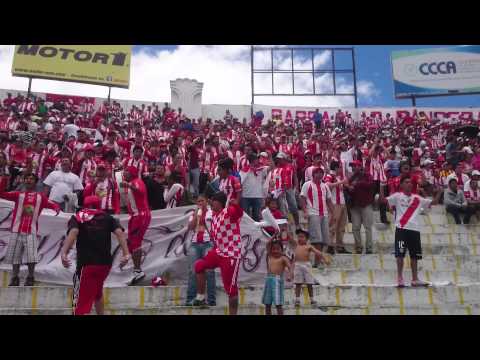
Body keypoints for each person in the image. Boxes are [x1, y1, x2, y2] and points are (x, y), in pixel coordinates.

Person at [60, 195, 130, 315]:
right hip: (105, 265)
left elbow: (74, 231)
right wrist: (126, 253)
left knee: (79, 301)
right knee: (97, 293)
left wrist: (64, 252)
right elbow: (119, 232)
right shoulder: (108, 218)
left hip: (86, 264)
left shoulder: (78, 217)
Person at [0, 173, 60, 286]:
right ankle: (14, 277)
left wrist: (56, 208)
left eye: (31, 179)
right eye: (26, 178)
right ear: (24, 181)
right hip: (16, 230)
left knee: (31, 255)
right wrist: (4, 179)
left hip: (31, 231)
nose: (28, 180)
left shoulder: (41, 197)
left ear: (36, 182)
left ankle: (30, 277)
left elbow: (52, 204)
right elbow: (1, 194)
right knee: (15, 256)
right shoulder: (18, 194)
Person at [380, 175, 441, 287]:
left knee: (414, 256)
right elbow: (383, 201)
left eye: (410, 182)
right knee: (400, 254)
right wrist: (381, 187)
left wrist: (439, 192)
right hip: (401, 229)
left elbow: (434, 203)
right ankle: (399, 278)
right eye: (406, 182)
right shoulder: (397, 196)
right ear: (402, 185)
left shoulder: (417, 198)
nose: (409, 184)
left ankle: (415, 279)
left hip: (414, 230)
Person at [193, 192, 243, 315]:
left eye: (212, 201)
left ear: (219, 202)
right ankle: (200, 297)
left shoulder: (228, 211)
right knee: (199, 265)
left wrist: (236, 206)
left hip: (231, 254)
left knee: (230, 290)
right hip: (219, 252)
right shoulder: (214, 216)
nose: (210, 203)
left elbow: (237, 213)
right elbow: (214, 235)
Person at [121, 165, 151, 285]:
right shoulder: (132, 184)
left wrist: (129, 186)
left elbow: (141, 192)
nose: (124, 173)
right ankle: (135, 269)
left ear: (132, 173)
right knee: (131, 242)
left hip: (141, 216)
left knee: (135, 243)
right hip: (135, 216)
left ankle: (138, 271)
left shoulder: (137, 182)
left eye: (127, 171)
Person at [185, 195, 216, 306]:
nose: (200, 203)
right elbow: (191, 227)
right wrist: (197, 215)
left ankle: (211, 300)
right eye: (198, 201)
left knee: (209, 272)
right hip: (194, 244)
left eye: (202, 200)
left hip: (208, 243)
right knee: (193, 271)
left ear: (206, 201)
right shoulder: (194, 214)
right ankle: (190, 299)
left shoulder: (211, 213)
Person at [300, 166, 334, 261]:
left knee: (325, 239)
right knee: (317, 239)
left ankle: (318, 259)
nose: (320, 175)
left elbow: (329, 200)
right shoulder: (307, 185)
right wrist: (305, 211)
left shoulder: (325, 186)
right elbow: (302, 198)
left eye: (321, 173)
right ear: (313, 174)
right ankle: (317, 261)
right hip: (313, 213)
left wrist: (333, 214)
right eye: (317, 173)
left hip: (324, 214)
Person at [292, 229, 328, 307]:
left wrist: (324, 258)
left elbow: (317, 252)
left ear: (307, 239)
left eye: (302, 237)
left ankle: (312, 299)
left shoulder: (309, 246)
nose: (300, 238)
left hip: (306, 265)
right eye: (298, 237)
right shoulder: (296, 245)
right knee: (298, 283)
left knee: (309, 283)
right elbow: (289, 238)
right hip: (297, 265)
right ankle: (297, 299)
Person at [346, 160, 376, 254]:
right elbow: (347, 190)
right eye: (352, 166)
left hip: (366, 204)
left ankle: (369, 247)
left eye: (355, 166)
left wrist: (358, 184)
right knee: (355, 227)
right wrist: (348, 188)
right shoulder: (351, 177)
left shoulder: (367, 175)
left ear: (360, 166)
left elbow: (371, 185)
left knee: (368, 227)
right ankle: (358, 246)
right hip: (354, 206)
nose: (353, 168)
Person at [262, 240, 292, 315]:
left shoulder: (283, 258)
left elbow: (290, 267)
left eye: (278, 249)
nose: (275, 251)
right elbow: (268, 244)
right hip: (268, 280)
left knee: (278, 303)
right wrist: (273, 236)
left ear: (282, 250)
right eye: (273, 249)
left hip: (277, 281)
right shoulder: (269, 256)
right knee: (267, 303)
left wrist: (289, 275)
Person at [239, 153, 269, 221]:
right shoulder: (244, 170)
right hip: (245, 196)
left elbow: (271, 168)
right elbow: (239, 182)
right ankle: (247, 231)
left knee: (257, 217)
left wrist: (269, 157)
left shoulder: (261, 169)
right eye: (256, 159)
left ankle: (257, 231)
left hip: (258, 196)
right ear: (253, 160)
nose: (258, 161)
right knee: (246, 218)